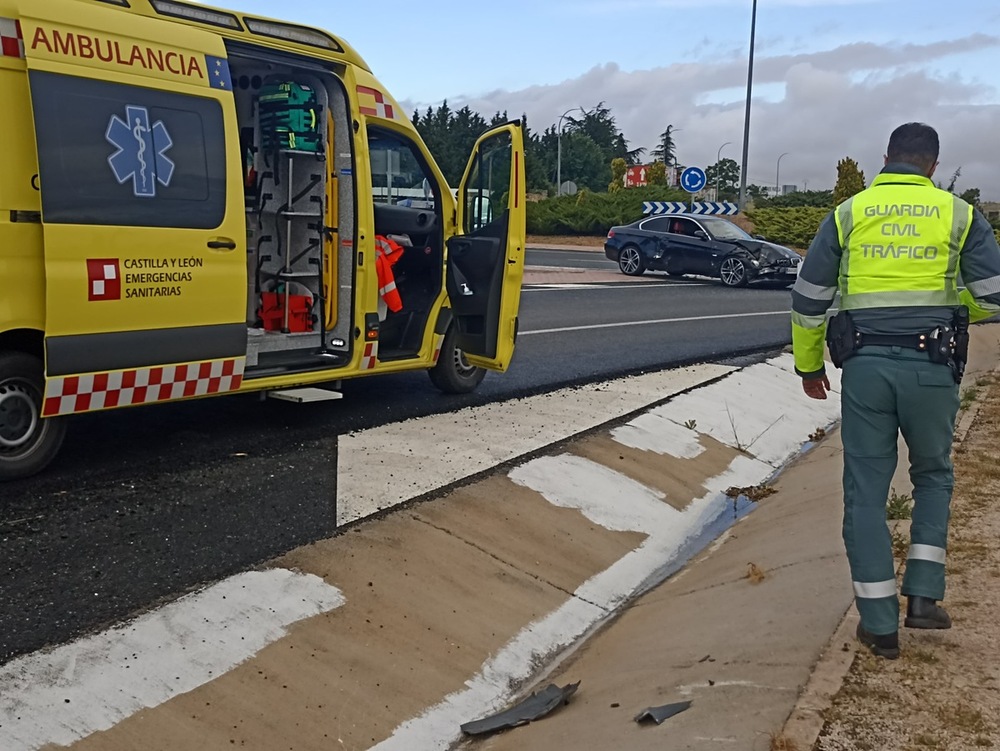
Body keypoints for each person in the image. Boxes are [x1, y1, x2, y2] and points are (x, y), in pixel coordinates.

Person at [791, 122, 1000, 659]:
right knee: (933, 475)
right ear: (933, 165)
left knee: (866, 488)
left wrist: (809, 366)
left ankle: (880, 625)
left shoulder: (848, 213)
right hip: (934, 367)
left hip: (865, 367)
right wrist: (954, 310)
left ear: (886, 158)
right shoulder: (961, 215)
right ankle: (925, 598)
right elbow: (994, 298)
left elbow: (810, 298)